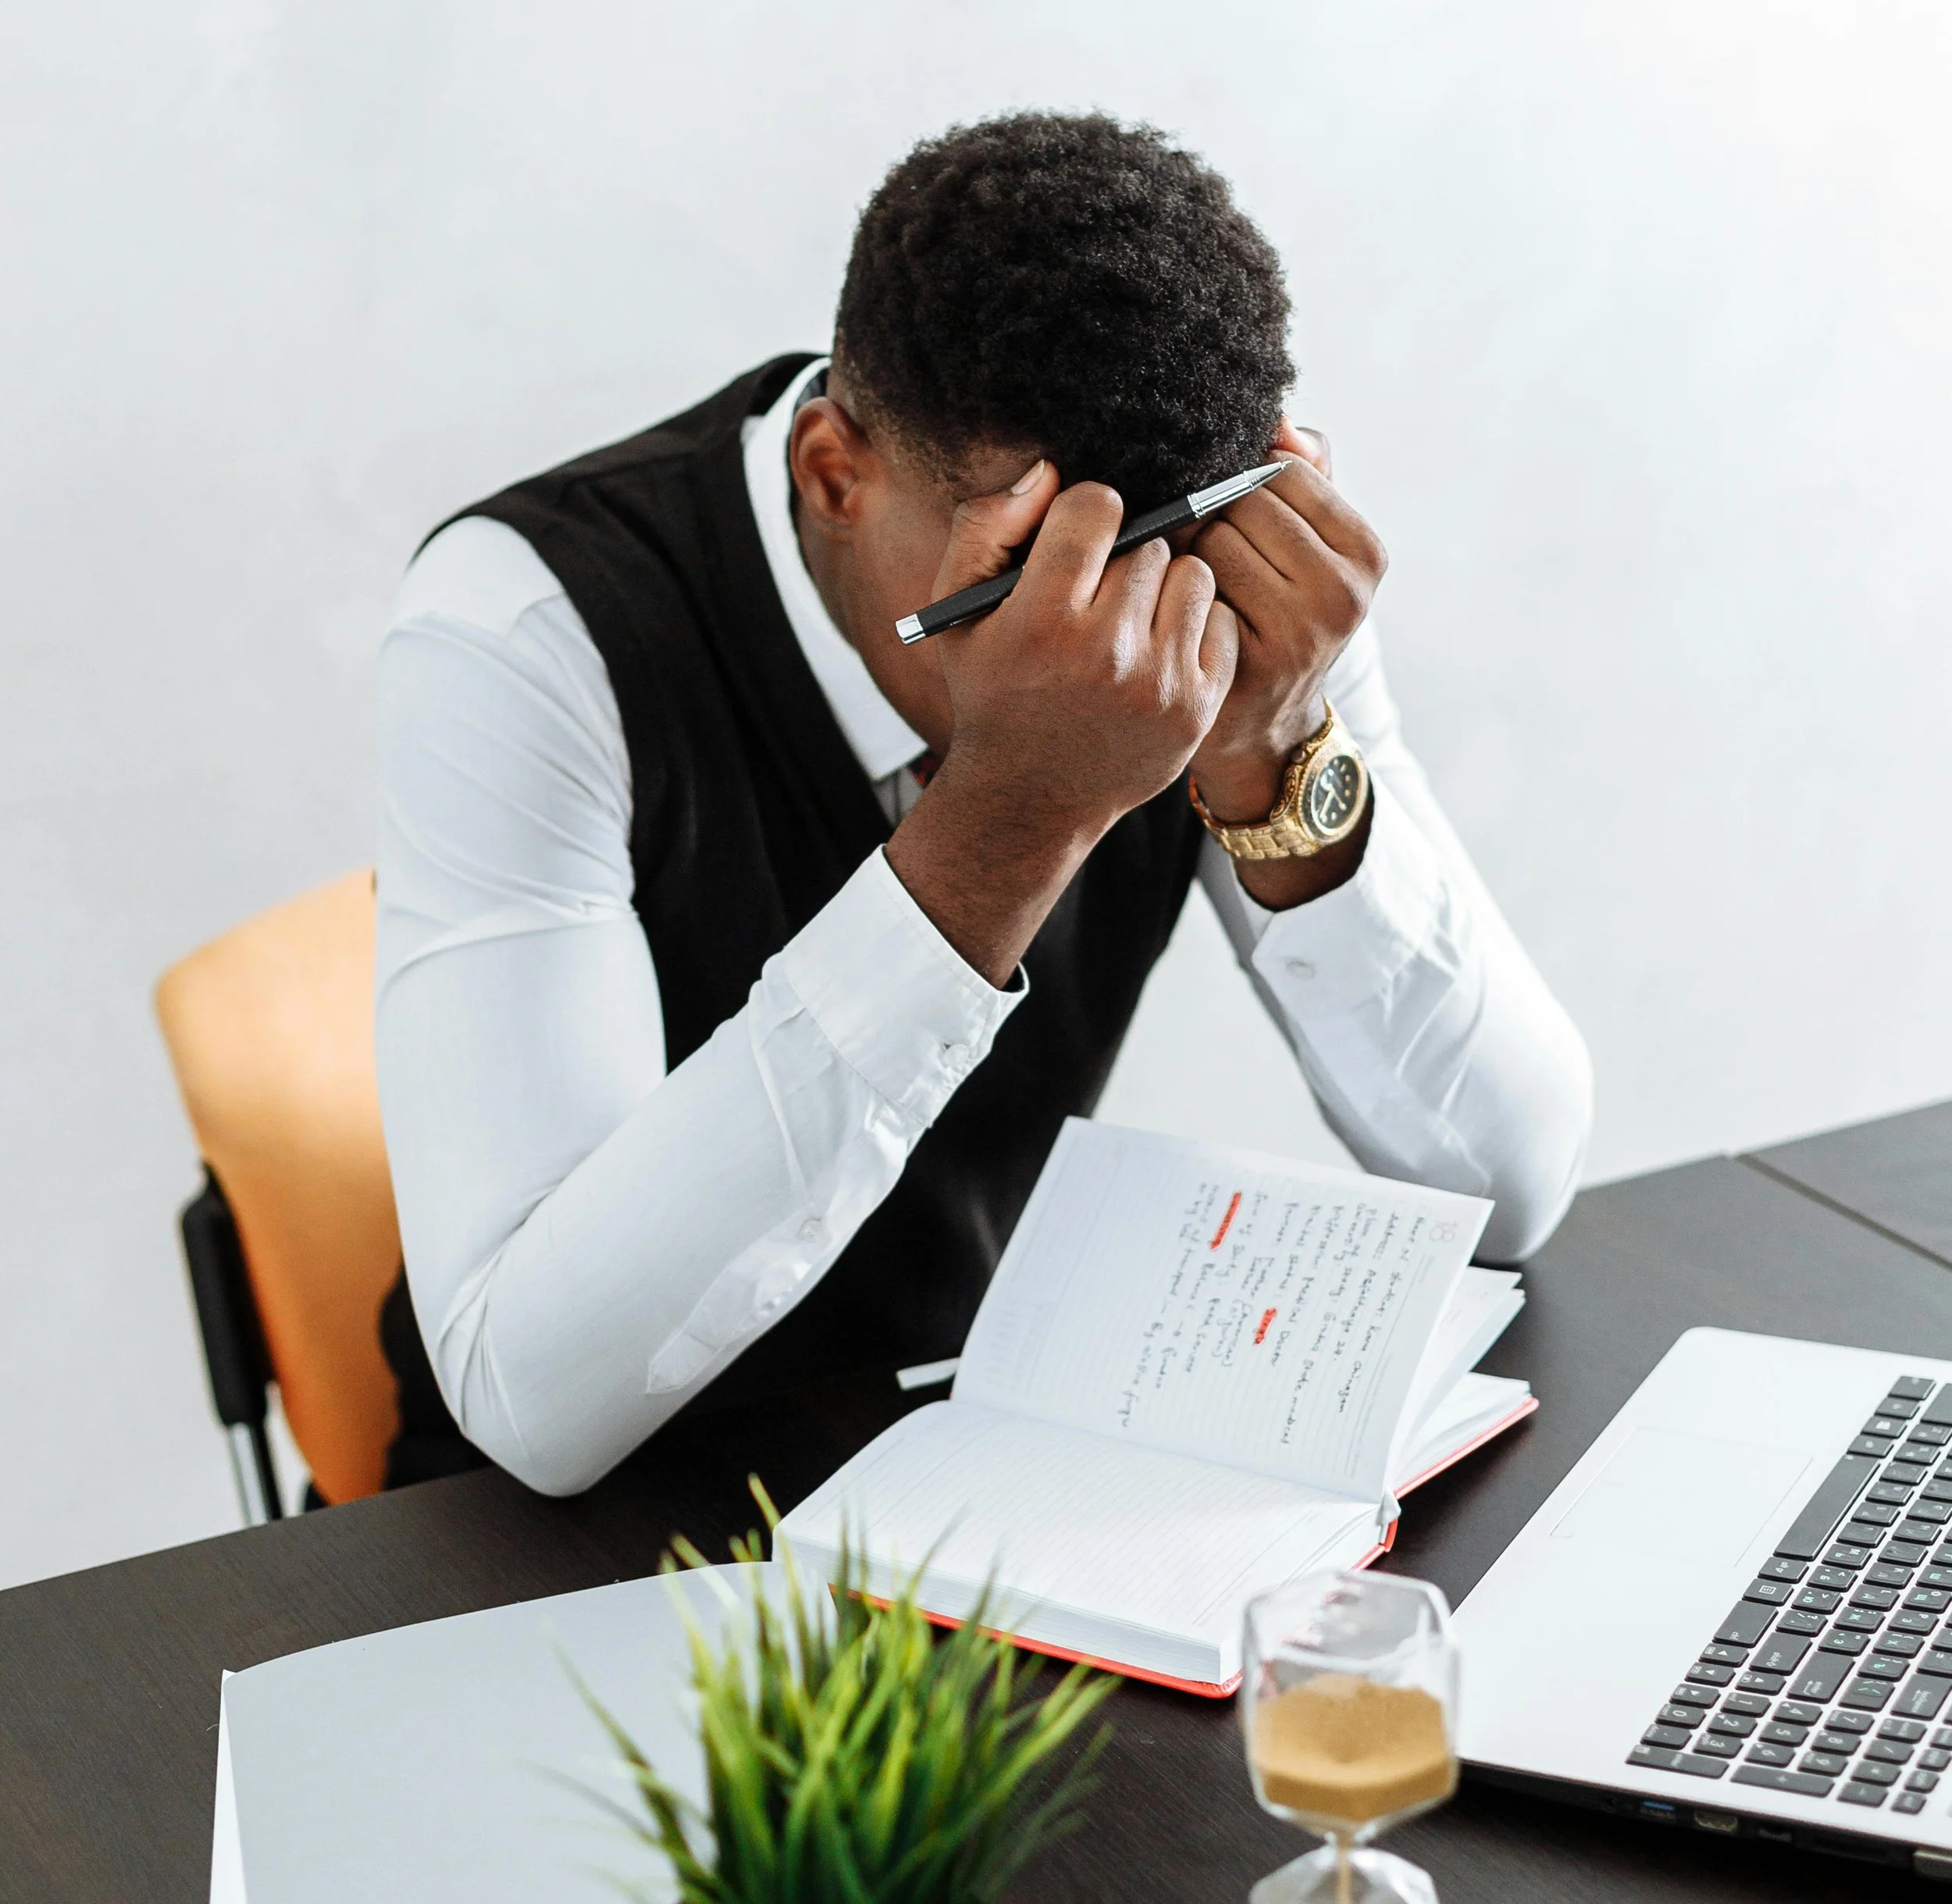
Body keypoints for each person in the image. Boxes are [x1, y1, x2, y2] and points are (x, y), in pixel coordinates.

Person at [374, 112, 1591, 1496]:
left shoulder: (1214, 572)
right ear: (835, 470)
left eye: (1162, 565)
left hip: (964, 1462)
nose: (1119, 651)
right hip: (554, 1546)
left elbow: (1511, 1177)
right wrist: (1004, 824)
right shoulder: (520, 626)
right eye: (1033, 578)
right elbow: (528, 1396)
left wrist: (1281, 751)